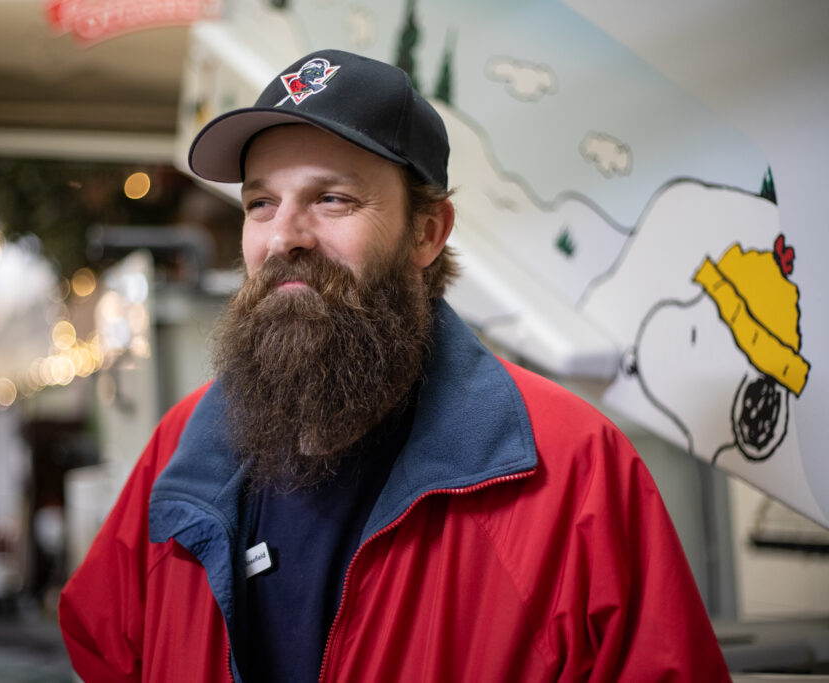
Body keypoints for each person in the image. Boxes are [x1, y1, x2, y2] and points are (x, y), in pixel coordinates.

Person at [59, 49, 730, 682]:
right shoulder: (183, 449)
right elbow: (104, 644)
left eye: (333, 199)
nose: (284, 236)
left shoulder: (575, 474)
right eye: (261, 203)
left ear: (427, 232)